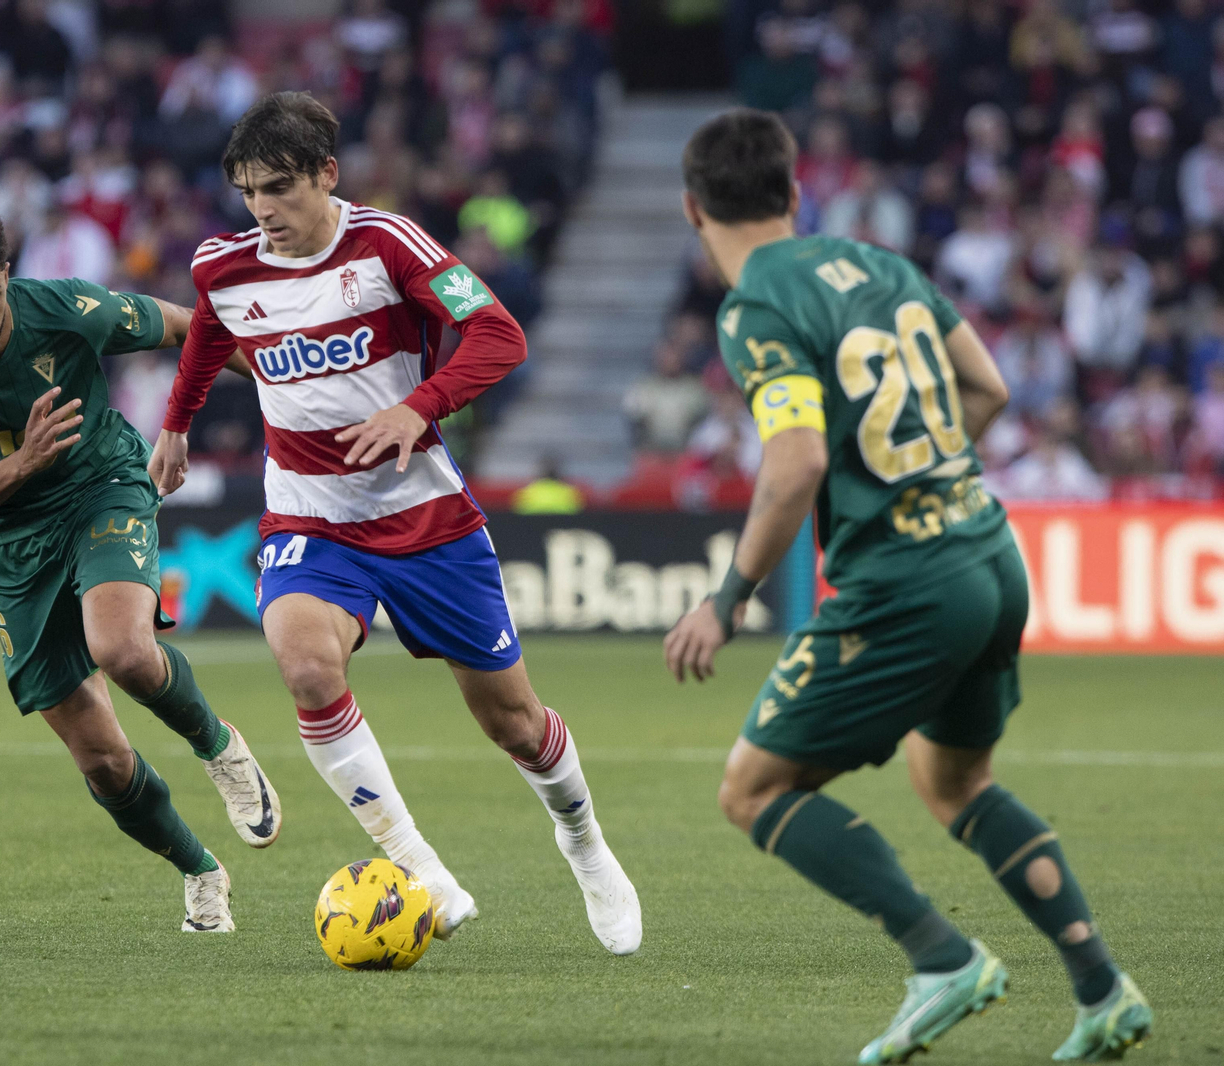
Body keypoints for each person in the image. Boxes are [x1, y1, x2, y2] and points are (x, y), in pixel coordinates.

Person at [664, 109, 1152, 1063]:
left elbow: (795, 462)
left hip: (907, 582)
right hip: (986, 551)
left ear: (693, 210)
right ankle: (1102, 991)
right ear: (795, 193)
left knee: (754, 788)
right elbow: (991, 390)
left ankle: (940, 957)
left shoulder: (756, 304)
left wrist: (729, 598)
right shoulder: (882, 265)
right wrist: (924, 479)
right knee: (955, 778)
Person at [154, 92, 641, 954]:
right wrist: (176, 423)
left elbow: (499, 335)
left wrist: (421, 406)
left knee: (514, 723)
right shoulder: (224, 267)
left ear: (327, 175)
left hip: (426, 518)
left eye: (280, 189)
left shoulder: (389, 244)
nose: (264, 211)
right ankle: (419, 867)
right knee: (305, 664)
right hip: (309, 515)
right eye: (248, 193)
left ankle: (585, 842)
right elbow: (206, 339)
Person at [0, 203, 281, 933]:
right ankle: (200, 871)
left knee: (122, 649)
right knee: (100, 759)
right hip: (7, 540)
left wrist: (291, 393)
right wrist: (26, 460)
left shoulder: (68, 310)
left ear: (8, 276)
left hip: (101, 486)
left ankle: (218, 748)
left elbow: (194, 330)